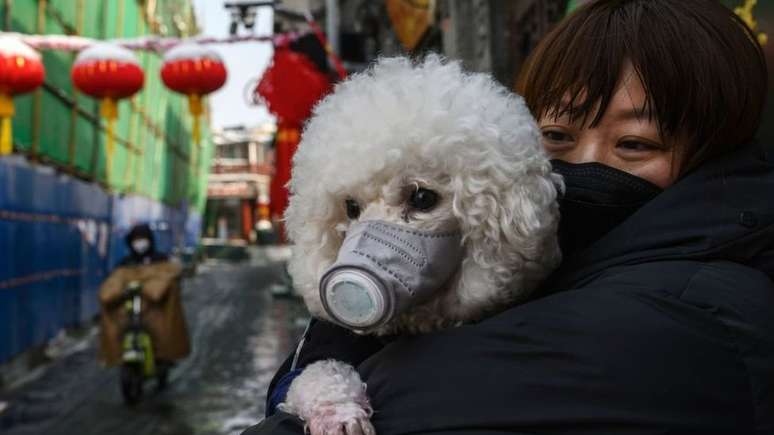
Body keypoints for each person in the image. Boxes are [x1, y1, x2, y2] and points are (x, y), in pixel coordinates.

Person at [246, 0, 773, 433]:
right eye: (557, 137)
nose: (585, 165)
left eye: (634, 144)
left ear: (714, 150)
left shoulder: (687, 314)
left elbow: (425, 402)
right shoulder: (559, 266)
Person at [98, 223, 191, 387]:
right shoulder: (125, 263)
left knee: (162, 328)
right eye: (136, 239)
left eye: (143, 239)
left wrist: (152, 289)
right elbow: (113, 284)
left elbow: (170, 276)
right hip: (130, 309)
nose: (140, 243)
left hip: (154, 309)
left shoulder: (161, 260)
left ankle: (163, 357)